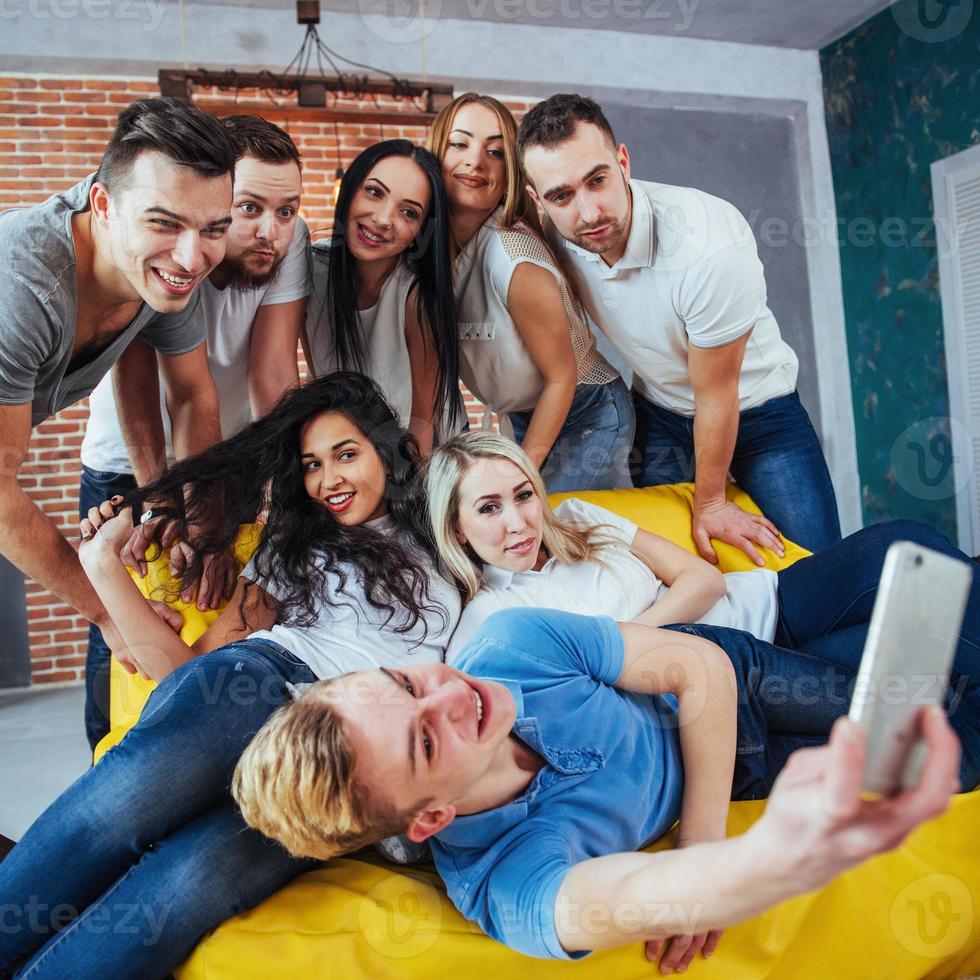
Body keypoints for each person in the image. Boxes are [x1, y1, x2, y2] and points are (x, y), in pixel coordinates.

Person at [0, 373, 460, 977]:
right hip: (263, 685)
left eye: (346, 454)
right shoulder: (295, 547)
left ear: (387, 450)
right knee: (112, 814)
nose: (329, 480)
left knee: (190, 886)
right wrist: (102, 568)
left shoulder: (448, 528)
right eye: (312, 465)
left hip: (331, 766)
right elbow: (192, 679)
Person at [231, 608, 968, 971]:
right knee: (951, 760)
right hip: (739, 763)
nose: (450, 693)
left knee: (927, 700)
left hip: (728, 684)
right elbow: (615, 901)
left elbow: (700, 670)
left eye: (405, 680)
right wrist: (768, 859)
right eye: (426, 741)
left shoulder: (507, 644)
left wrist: (702, 836)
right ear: (429, 818)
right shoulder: (504, 882)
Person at [516, 93, 842, 561]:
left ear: (623, 161)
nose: (588, 213)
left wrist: (711, 502)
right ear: (538, 200)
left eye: (598, 180)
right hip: (662, 412)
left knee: (818, 566)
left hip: (759, 411)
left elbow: (716, 394)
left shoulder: (708, 246)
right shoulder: (551, 238)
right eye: (562, 195)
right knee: (682, 564)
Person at [77, 113, 312, 750]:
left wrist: (287, 487)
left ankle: (198, 751)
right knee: (122, 622)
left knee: (207, 601)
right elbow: (142, 389)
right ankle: (113, 753)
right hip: (131, 454)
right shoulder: (169, 248)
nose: (271, 231)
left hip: (225, 454)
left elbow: (270, 375)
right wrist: (159, 501)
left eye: (287, 210)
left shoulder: (284, 243)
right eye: (250, 209)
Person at [426, 432, 980, 687]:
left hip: (775, 602)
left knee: (906, 542)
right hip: (751, 674)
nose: (518, 522)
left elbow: (704, 580)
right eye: (489, 509)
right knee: (936, 632)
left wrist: (622, 638)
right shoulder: (488, 620)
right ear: (457, 527)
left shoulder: (578, 517)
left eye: (523, 496)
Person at [0, 97, 230, 669]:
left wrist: (199, 528)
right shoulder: (23, 285)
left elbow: (190, 393)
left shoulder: (169, 269)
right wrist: (109, 613)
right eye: (164, 222)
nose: (191, 255)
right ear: (103, 205)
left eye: (213, 229)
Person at [426, 93, 634, 492]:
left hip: (586, 413)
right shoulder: (438, 252)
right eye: (460, 143)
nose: (475, 160)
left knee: (556, 532)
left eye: (496, 151)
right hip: (523, 416)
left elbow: (562, 378)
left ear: (512, 173)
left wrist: (516, 478)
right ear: (438, 151)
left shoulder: (514, 257)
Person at [304, 140, 461, 455]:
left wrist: (409, 493)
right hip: (344, 452)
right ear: (350, 190)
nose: (383, 219)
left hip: (415, 449)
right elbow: (318, 378)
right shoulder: (309, 270)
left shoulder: (416, 297)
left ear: (421, 231)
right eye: (374, 192)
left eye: (409, 212)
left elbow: (422, 421)